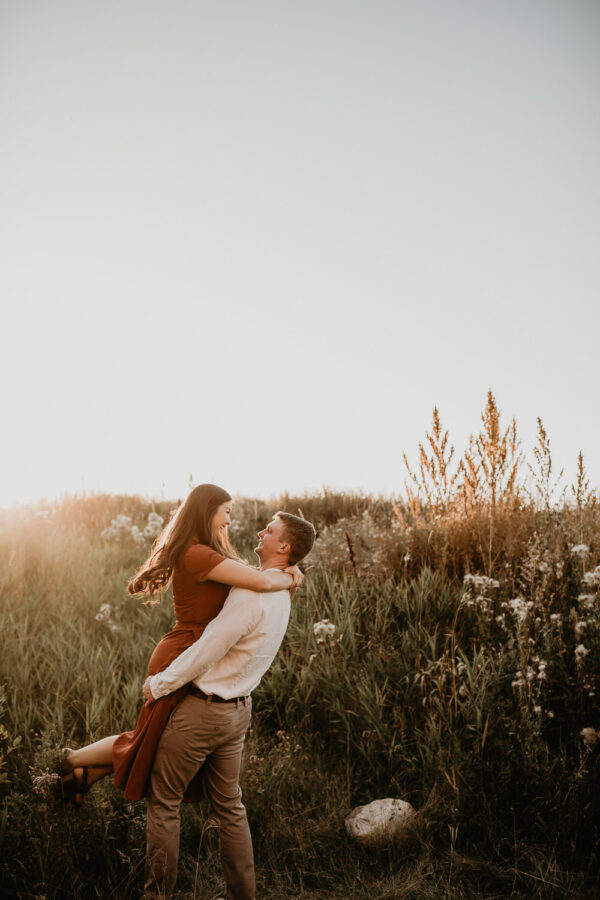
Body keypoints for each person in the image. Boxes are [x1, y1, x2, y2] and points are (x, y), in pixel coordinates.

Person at [60, 483, 304, 804]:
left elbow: (252, 581)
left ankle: (83, 774)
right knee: (146, 741)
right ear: (208, 511)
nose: (228, 521)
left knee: (151, 741)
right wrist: (291, 576)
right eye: (226, 512)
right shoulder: (196, 554)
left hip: (194, 651)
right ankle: (72, 760)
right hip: (182, 653)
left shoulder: (208, 552)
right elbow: (259, 580)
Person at [141, 510, 316, 900]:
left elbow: (208, 648)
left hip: (204, 711)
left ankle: (156, 896)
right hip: (238, 712)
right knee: (230, 808)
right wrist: (291, 573)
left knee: (165, 802)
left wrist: (160, 684)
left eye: (269, 531)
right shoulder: (282, 589)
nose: (260, 531)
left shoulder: (253, 592)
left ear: (283, 546)